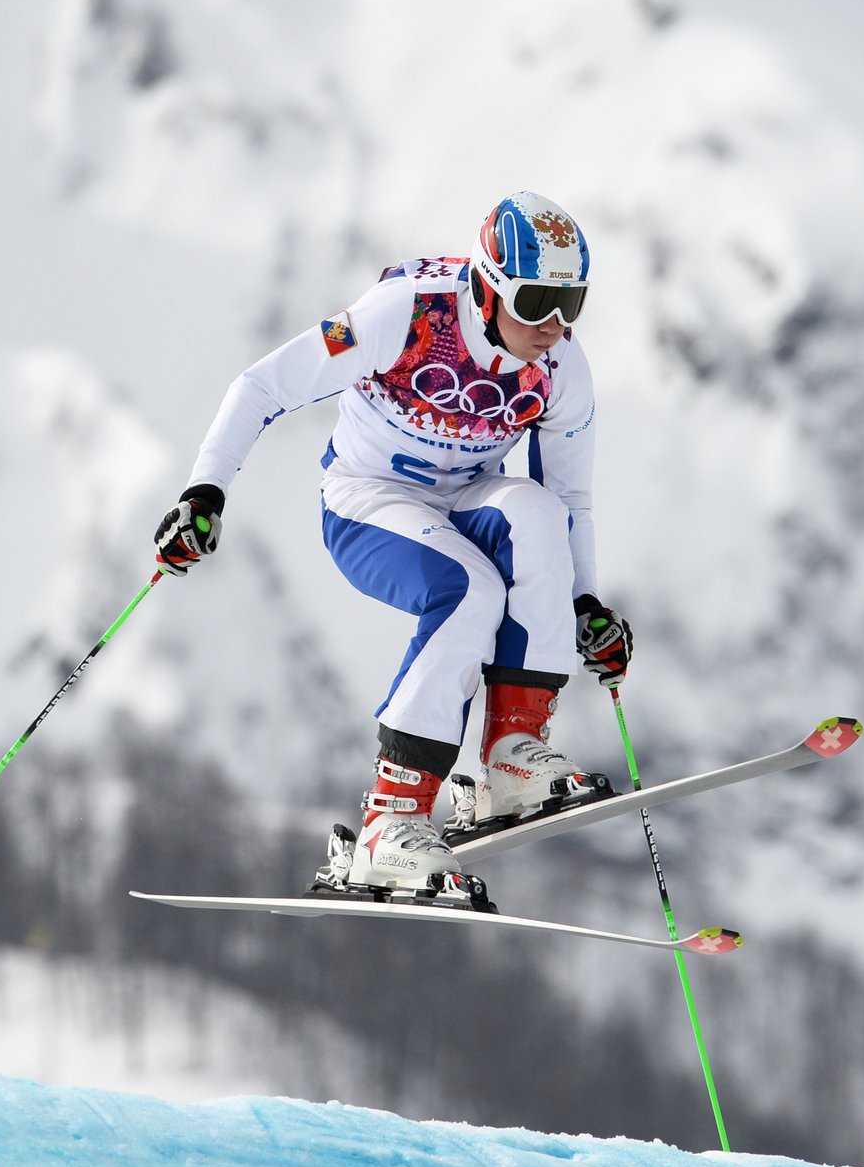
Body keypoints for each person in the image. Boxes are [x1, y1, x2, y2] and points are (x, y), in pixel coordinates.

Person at [152, 192, 632, 897]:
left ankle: (511, 759)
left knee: (535, 514)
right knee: (471, 589)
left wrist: (584, 601)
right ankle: (390, 822)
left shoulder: (561, 368)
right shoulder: (409, 313)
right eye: (535, 302)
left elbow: (572, 500)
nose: (554, 326)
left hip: (465, 498)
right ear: (489, 284)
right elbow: (261, 387)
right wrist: (204, 493)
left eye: (572, 304)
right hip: (367, 500)